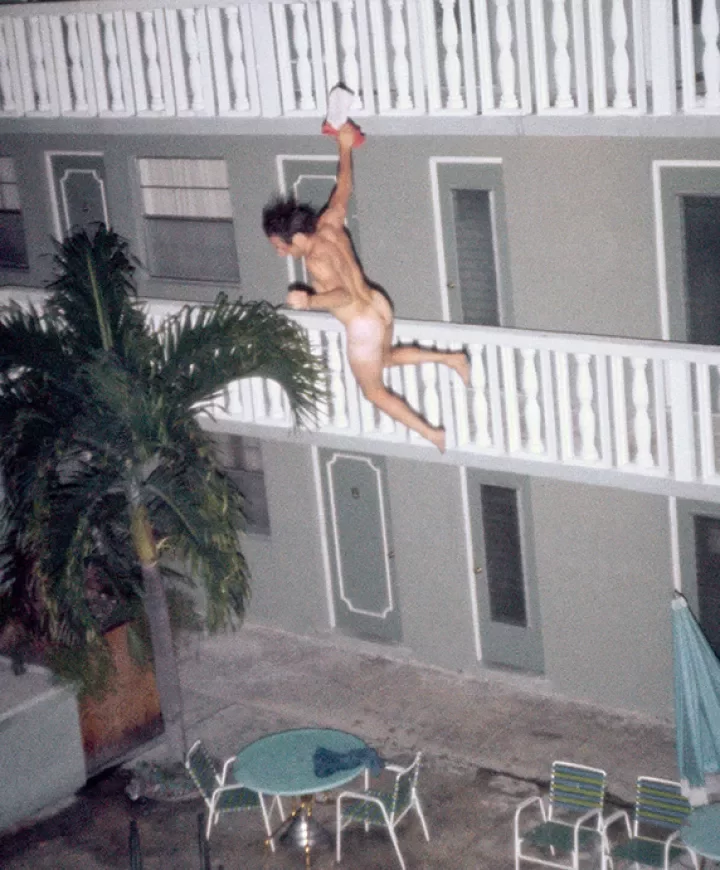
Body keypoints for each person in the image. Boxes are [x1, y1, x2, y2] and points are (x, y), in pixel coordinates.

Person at [262, 123, 470, 452]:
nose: (280, 252)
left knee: (373, 392)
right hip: (378, 304)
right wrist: (344, 147)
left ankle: (433, 434)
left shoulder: (315, 261)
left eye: (280, 246)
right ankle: (451, 359)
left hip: (362, 324)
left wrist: (309, 301)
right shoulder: (329, 221)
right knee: (385, 359)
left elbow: (342, 295)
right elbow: (344, 185)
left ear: (297, 237)